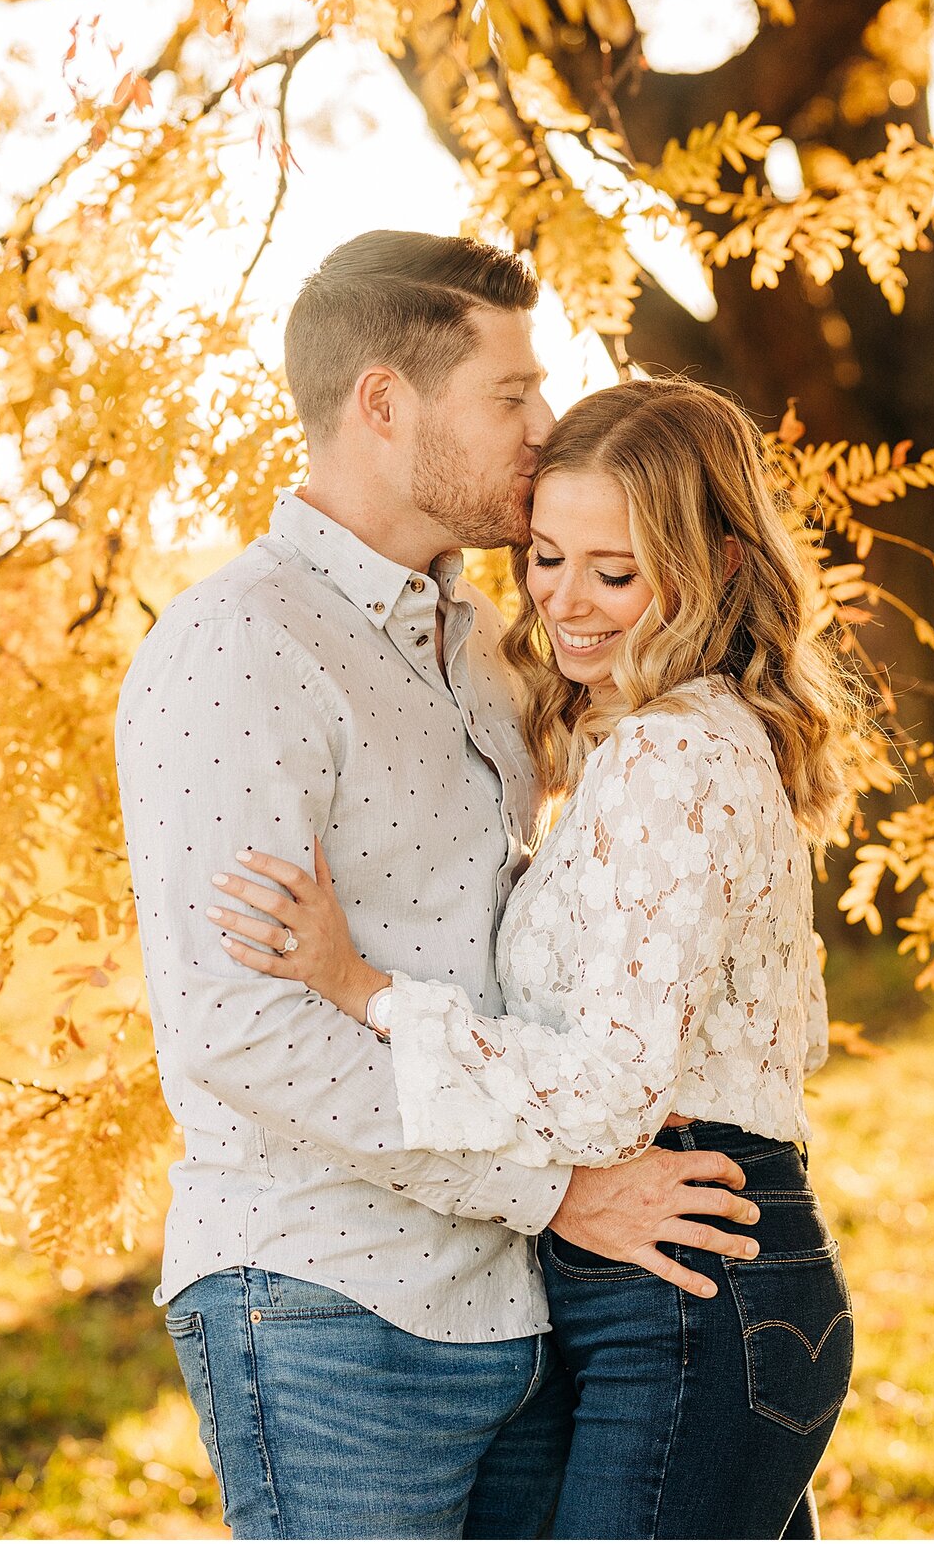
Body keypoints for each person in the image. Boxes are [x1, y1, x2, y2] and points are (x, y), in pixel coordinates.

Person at [117, 233, 763, 1539]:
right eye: (511, 393)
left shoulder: (478, 643)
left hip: (518, 1304)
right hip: (327, 1304)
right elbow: (243, 1033)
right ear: (383, 402)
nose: (545, 424)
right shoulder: (240, 649)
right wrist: (559, 1190)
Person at [208, 375, 866, 1538]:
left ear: (716, 563)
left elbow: (612, 1086)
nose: (567, 601)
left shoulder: (673, 753)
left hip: (690, 1275)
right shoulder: (655, 740)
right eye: (547, 556)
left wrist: (364, 989)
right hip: (679, 1278)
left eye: (614, 571)